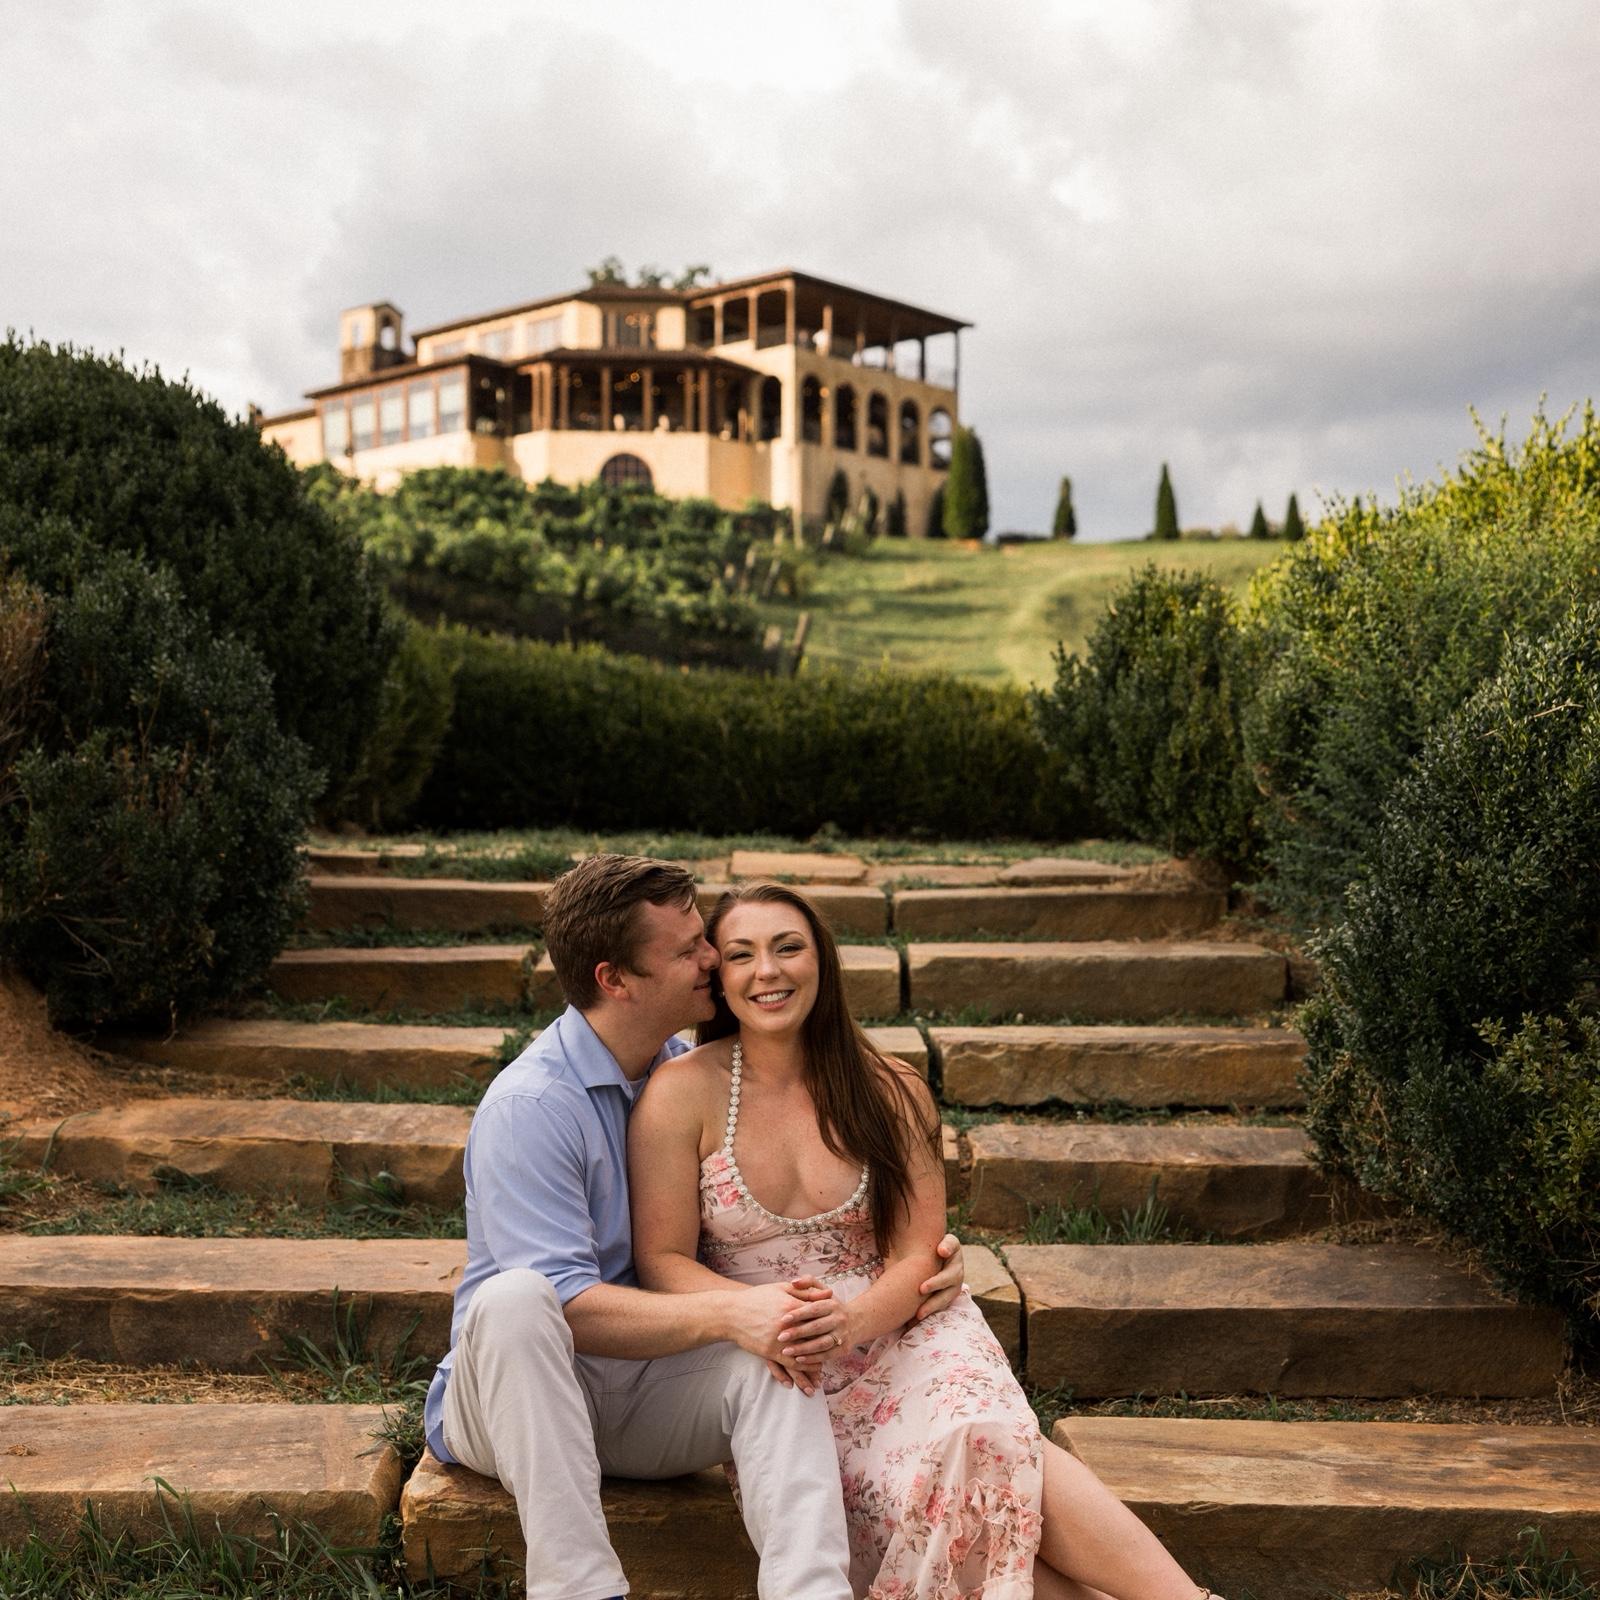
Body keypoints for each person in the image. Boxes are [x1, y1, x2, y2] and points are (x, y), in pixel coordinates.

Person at [629, 881, 1222, 1600]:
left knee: (983, 1435)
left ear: (822, 961)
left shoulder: (892, 1087)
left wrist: (850, 1321)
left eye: (789, 948)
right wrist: (759, 1317)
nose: (768, 972)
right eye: (741, 955)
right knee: (927, 1501)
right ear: (718, 976)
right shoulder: (680, 1092)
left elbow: (918, 1252)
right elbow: (661, 1261)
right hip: (778, 1362)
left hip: (905, 1325)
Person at [422, 855, 969, 1600]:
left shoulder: (688, 1074)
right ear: (616, 979)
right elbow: (567, 1308)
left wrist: (923, 1259)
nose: (713, 957)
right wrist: (729, 1312)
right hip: (512, 1403)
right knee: (518, 1299)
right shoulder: (531, 1106)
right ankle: (580, 1589)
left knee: (776, 1356)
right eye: (688, 950)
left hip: (643, 1387)